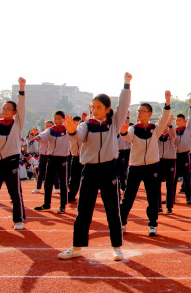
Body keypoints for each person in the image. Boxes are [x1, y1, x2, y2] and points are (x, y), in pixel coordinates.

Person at [58, 73, 132, 261]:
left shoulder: (113, 123)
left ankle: (116, 247)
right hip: (89, 170)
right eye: (93, 107)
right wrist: (71, 130)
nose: (95, 110)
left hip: (109, 169)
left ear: (107, 109)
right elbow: (78, 135)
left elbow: (123, 105)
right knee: (84, 210)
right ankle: (76, 247)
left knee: (112, 210)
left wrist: (126, 85)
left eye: (99, 107)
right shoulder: (86, 125)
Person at [119, 90, 171, 237]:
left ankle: (153, 225)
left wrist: (167, 103)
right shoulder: (133, 128)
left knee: (153, 197)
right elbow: (127, 137)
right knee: (128, 197)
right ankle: (122, 223)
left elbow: (164, 118)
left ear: (149, 113)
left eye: (142, 111)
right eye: (138, 111)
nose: (139, 113)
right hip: (135, 167)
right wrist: (123, 132)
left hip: (152, 166)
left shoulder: (155, 129)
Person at [0, 77, 27, 230]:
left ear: (14, 112)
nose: (4, 111)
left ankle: (19, 219)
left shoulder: (17, 124)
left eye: (7, 109)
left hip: (12, 161)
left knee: (15, 193)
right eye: (2, 109)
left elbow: (22, 107)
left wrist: (21, 88)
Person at [33, 111, 71, 214]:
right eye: (55, 118)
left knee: (63, 182)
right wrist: (38, 137)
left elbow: (74, 134)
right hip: (51, 158)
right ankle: (46, 204)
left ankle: (62, 205)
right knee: (48, 182)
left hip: (62, 158)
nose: (57, 120)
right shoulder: (50, 130)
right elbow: (43, 135)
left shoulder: (67, 130)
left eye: (59, 118)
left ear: (63, 119)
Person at [173, 100, 191, 205]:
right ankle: (171, 198)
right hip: (175, 156)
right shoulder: (173, 131)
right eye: (176, 121)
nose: (177, 122)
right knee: (173, 178)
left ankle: (188, 197)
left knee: (187, 177)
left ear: (184, 121)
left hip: (185, 155)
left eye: (179, 120)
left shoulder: (187, 129)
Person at [158, 115, 176, 214]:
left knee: (170, 184)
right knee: (157, 185)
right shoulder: (157, 135)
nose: (164, 127)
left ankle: (169, 207)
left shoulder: (171, 135)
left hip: (170, 160)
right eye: (162, 124)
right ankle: (159, 207)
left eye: (165, 125)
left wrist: (170, 125)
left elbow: (173, 135)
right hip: (159, 160)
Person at [67, 114, 85, 203]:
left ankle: (85, 196)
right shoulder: (69, 133)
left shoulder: (84, 132)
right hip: (75, 157)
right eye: (73, 124)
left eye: (77, 124)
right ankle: (71, 195)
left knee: (86, 178)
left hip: (85, 157)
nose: (75, 126)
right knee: (74, 177)